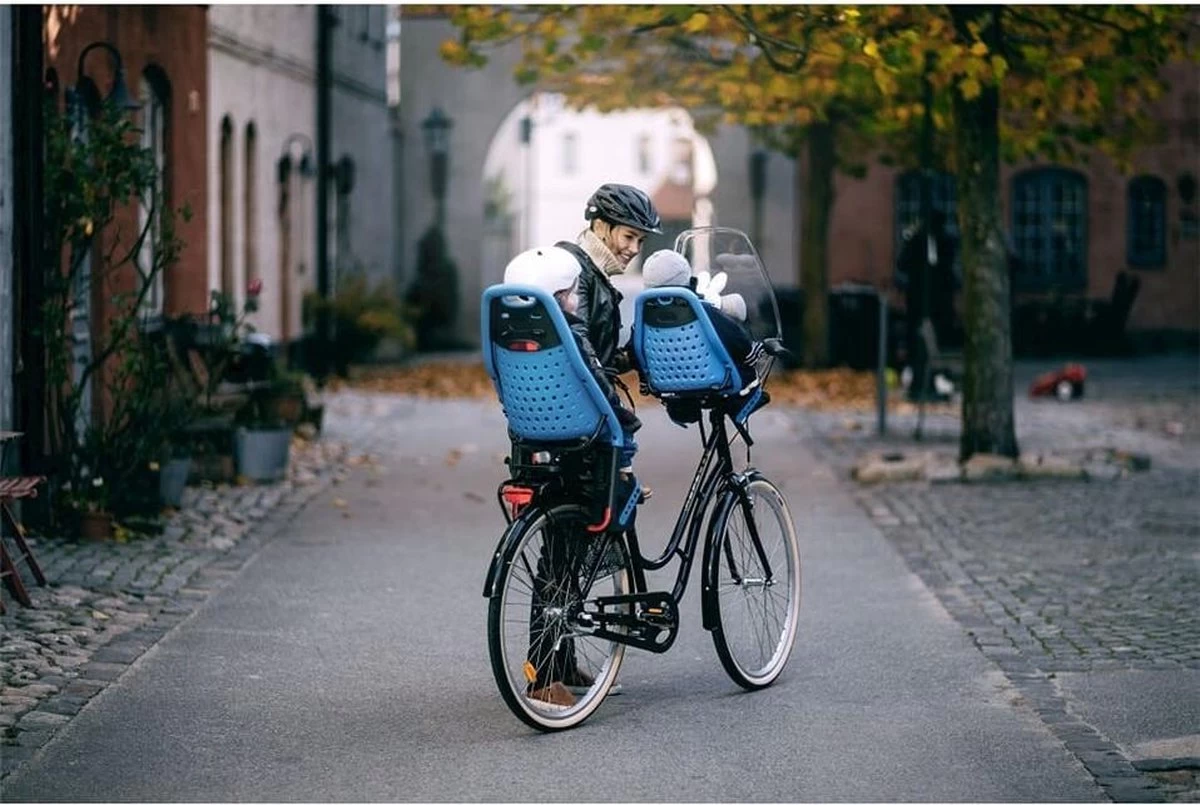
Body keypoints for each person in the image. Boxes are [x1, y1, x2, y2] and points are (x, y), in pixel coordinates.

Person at [501, 245, 640, 708]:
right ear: (558, 296)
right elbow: (598, 387)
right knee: (563, 563)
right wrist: (627, 424)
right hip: (583, 448)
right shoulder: (569, 333)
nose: (578, 299)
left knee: (557, 559)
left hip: (533, 446)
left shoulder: (514, 335)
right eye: (572, 292)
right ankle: (543, 676)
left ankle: (559, 663)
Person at [640, 250, 766, 425]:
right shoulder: (701, 309)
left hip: (664, 383)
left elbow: (636, 347)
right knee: (744, 369)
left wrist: (643, 377)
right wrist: (751, 351)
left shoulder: (644, 317)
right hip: (712, 378)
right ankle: (740, 405)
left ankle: (681, 408)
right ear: (688, 280)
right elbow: (732, 336)